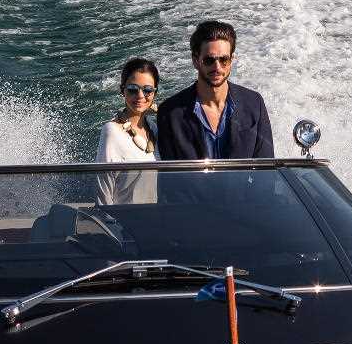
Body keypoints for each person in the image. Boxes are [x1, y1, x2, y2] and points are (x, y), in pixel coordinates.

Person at [154, 20, 274, 160]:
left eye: (224, 60)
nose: (217, 67)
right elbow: (170, 171)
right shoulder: (170, 114)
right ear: (195, 61)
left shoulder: (254, 104)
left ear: (231, 60)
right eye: (209, 60)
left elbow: (266, 165)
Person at [94, 57, 160, 205]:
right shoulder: (112, 131)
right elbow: (103, 194)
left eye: (148, 90)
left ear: (154, 93)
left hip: (156, 216)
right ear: (122, 91)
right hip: (124, 218)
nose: (140, 96)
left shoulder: (154, 130)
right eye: (133, 89)